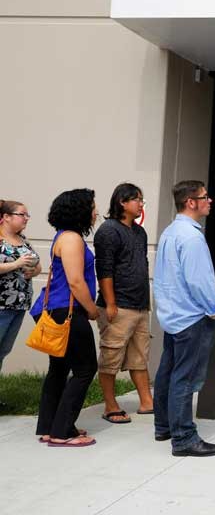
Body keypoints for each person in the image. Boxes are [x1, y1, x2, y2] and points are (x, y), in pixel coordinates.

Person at [153, 181, 215, 457]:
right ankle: (183, 438)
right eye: (205, 197)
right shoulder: (192, 237)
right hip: (192, 317)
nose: (210, 201)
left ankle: (164, 426)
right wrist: (214, 308)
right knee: (185, 378)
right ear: (191, 202)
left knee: (168, 373)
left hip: (173, 315)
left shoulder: (171, 232)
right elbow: (199, 281)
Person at [34, 189, 100, 447]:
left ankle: (50, 427)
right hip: (67, 311)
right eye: (93, 207)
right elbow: (75, 281)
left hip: (54, 308)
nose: (95, 212)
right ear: (80, 210)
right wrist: (92, 309)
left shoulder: (63, 236)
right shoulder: (72, 239)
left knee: (59, 369)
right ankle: (63, 431)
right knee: (85, 369)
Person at [94, 183, 153, 424]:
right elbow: (104, 270)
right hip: (118, 306)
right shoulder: (108, 230)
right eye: (137, 200)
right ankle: (110, 405)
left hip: (140, 305)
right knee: (111, 357)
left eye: (142, 200)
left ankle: (147, 401)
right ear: (122, 202)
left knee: (140, 356)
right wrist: (110, 303)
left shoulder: (140, 233)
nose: (141, 204)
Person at [0, 200, 42, 408]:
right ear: (6, 217)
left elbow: (37, 264)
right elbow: (14, 264)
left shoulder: (22, 239)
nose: (26, 218)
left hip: (18, 305)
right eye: (21, 214)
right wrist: (15, 264)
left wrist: (34, 270)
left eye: (27, 215)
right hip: (1, 305)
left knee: (3, 350)